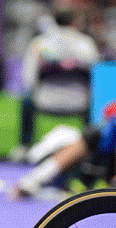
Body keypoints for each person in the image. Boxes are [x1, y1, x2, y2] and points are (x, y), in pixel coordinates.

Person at [12, 57, 116, 198]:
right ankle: (34, 178)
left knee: (87, 136)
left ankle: (34, 179)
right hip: (78, 151)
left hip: (96, 147)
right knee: (78, 135)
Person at [14, 10, 100, 161]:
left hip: (45, 100)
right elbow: (97, 74)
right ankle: (92, 148)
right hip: (80, 101)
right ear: (75, 22)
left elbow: (28, 78)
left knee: (26, 101)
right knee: (97, 104)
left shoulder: (40, 43)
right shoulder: (86, 43)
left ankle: (24, 146)